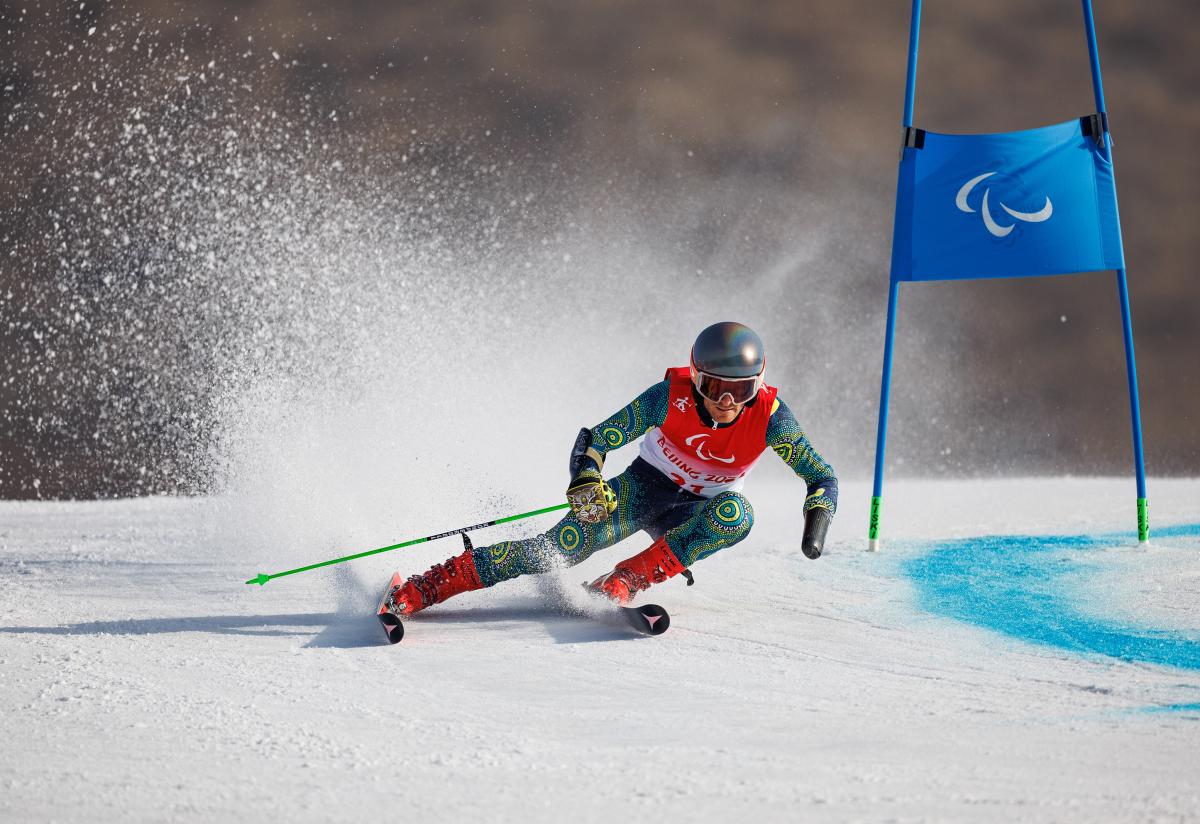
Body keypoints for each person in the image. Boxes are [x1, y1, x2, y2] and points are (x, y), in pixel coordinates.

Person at [382, 321, 838, 616]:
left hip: (696, 511)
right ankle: (430, 586)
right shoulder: (669, 397)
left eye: (738, 391)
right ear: (696, 379)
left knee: (737, 514)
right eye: (714, 386)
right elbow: (596, 439)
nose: (725, 402)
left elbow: (822, 477)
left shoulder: (772, 417)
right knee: (559, 548)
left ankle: (627, 579)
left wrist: (814, 528)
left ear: (756, 387)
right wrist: (586, 478)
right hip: (644, 486)